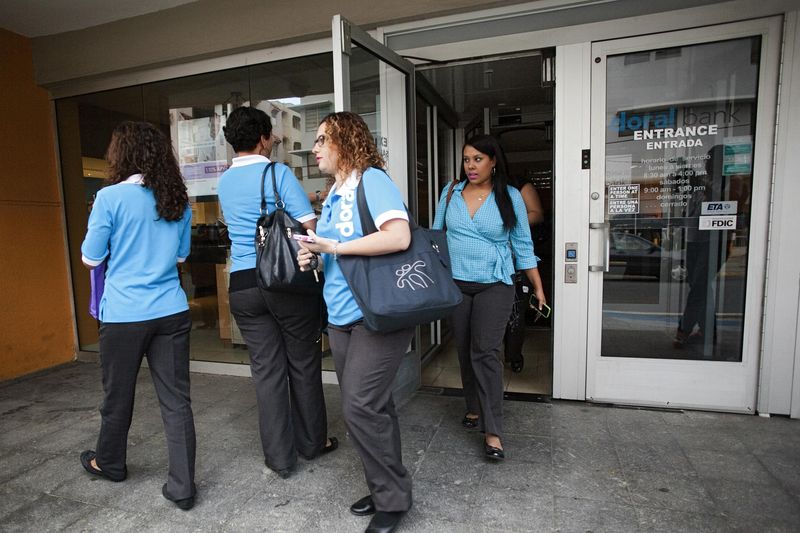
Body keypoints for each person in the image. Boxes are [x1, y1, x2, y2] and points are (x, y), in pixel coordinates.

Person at [296, 111, 414, 533]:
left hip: (376, 313)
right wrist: (313, 253)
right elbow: (335, 248)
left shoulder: (372, 181)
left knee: (359, 406)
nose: (314, 149)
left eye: (321, 140)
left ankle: (393, 498)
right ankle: (387, 488)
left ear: (345, 142)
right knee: (374, 406)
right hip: (341, 315)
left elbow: (399, 236)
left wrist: (336, 246)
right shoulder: (333, 193)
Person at [79, 121, 197, 510]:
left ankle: (109, 463)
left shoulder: (108, 197)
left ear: (120, 155)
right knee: (176, 401)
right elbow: (181, 257)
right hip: (171, 310)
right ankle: (182, 487)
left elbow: (90, 258)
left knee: (118, 395)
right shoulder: (177, 198)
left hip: (124, 314)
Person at [217, 106, 336, 479]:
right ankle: (312, 443)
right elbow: (307, 227)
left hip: (242, 285)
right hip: (283, 280)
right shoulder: (276, 172)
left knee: (266, 372)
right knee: (302, 364)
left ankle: (280, 459)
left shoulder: (223, 181)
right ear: (264, 138)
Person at [432, 134, 546, 460]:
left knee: (486, 352)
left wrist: (538, 287)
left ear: (493, 161)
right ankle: (473, 406)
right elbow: (437, 237)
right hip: (456, 284)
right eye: (467, 159)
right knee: (466, 350)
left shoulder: (509, 196)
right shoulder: (450, 192)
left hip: (496, 283)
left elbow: (523, 246)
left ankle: (493, 431)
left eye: (478, 159)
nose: (471, 165)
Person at [504, 174, 544, 373]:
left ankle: (513, 355)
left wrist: (508, 222)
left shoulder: (518, 186)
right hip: (488, 265)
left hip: (517, 260)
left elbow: (537, 213)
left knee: (516, 313)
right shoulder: (470, 190)